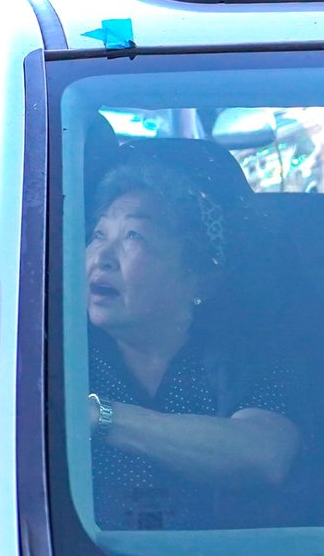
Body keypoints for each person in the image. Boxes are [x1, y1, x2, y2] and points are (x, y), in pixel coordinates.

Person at [83, 147, 300, 529]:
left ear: (198, 276)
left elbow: (265, 453)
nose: (102, 256)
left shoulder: (244, 354)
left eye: (134, 236)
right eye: (99, 234)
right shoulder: (55, 348)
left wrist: (98, 417)